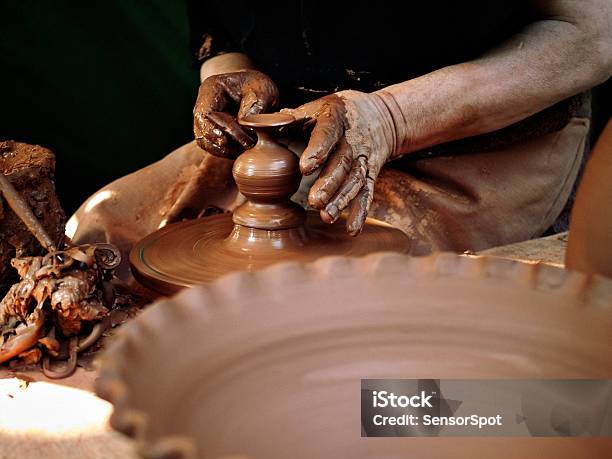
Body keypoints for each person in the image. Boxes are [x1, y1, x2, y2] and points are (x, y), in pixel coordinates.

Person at [70, 1, 612, 273]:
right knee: (95, 241)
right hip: (293, 132)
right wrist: (225, 78)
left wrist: (391, 117)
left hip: (484, 137)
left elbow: (594, 33)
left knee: (339, 309)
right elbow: (223, 22)